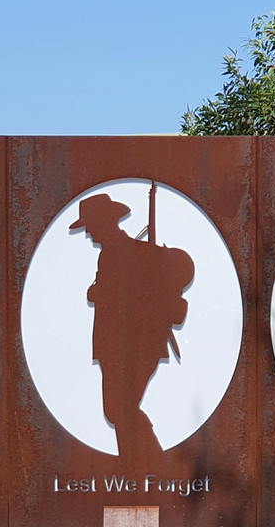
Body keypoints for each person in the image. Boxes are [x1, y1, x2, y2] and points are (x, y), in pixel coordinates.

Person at [70, 192, 194, 458]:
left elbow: (135, 294)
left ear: (106, 222)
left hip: (136, 345)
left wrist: (98, 294)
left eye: (91, 226)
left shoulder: (140, 254)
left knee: (120, 409)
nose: (89, 233)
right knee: (117, 410)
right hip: (113, 346)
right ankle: (140, 463)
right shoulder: (109, 256)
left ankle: (147, 463)